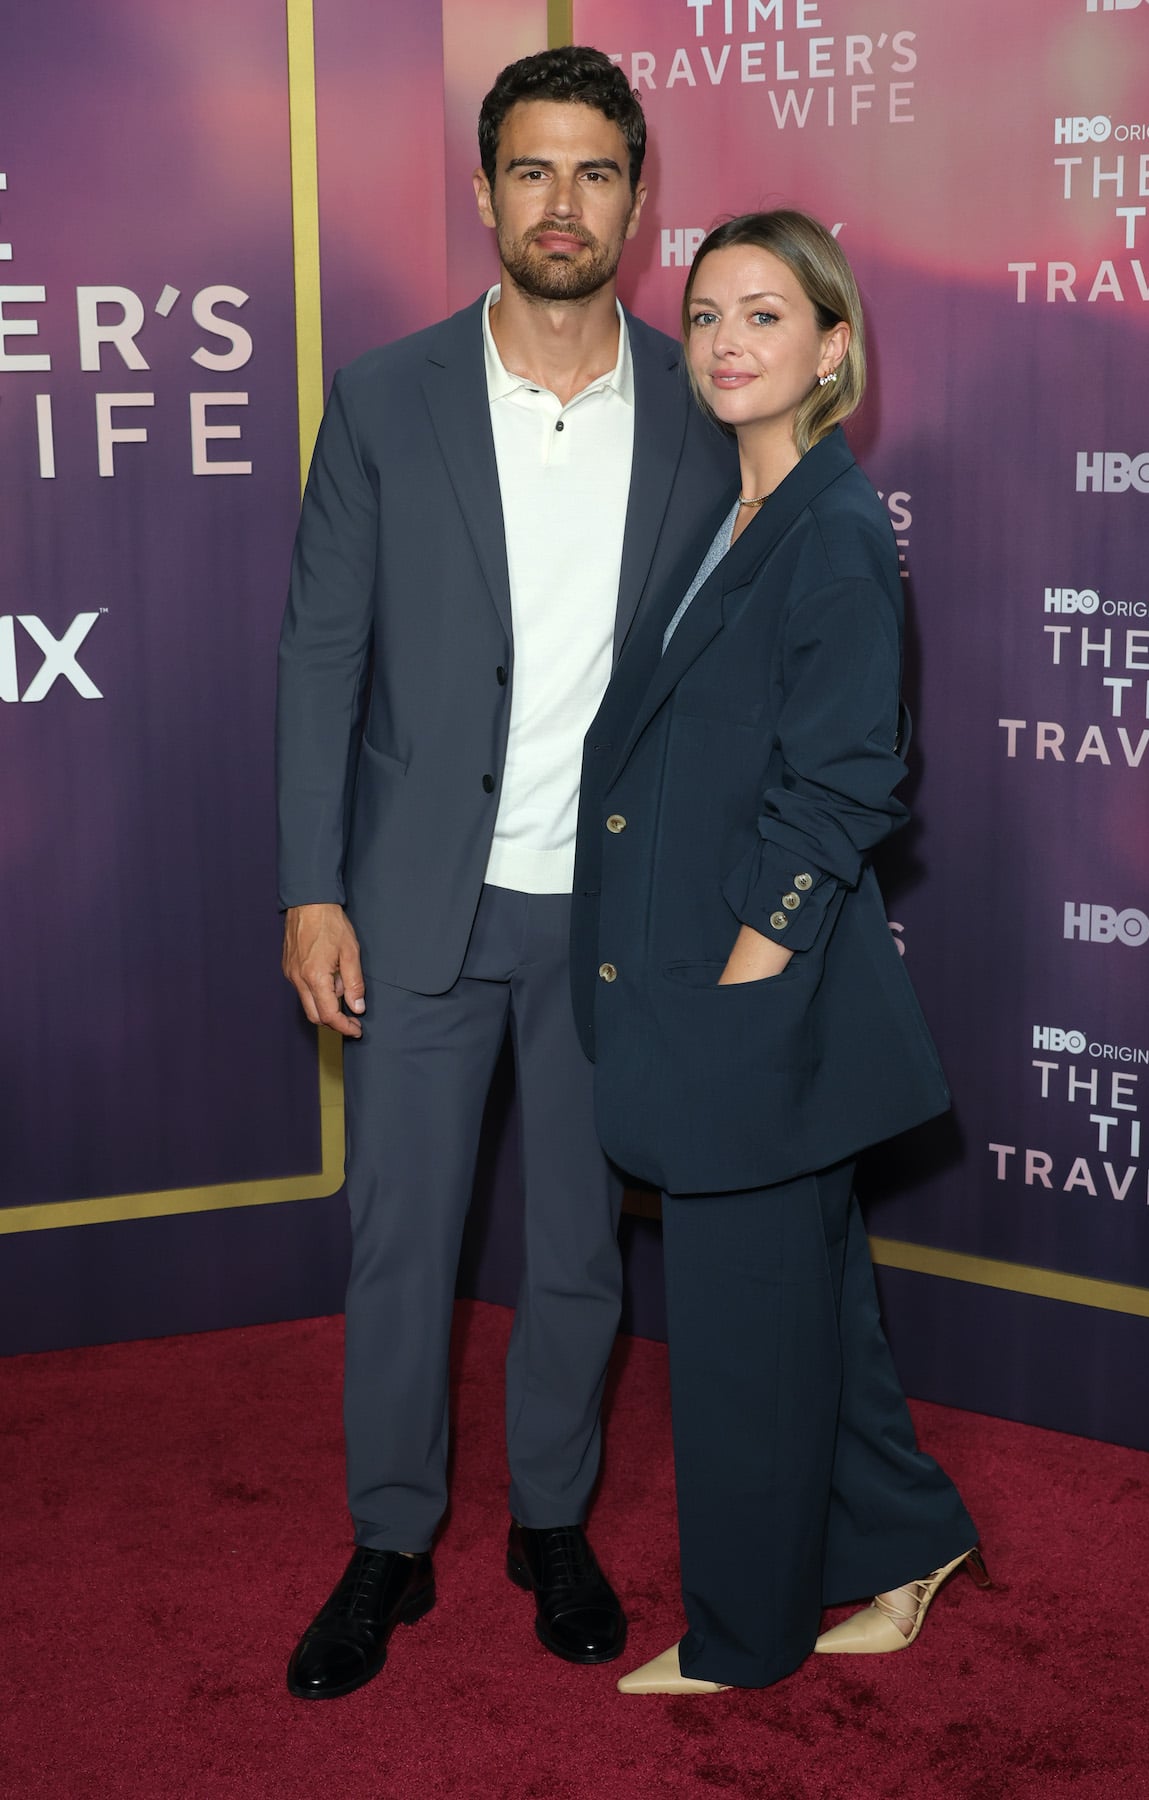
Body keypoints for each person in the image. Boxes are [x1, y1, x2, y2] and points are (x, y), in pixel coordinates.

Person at [275, 48, 734, 1701]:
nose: (562, 203)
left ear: (637, 199)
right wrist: (310, 884)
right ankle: (390, 1540)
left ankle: (553, 1522)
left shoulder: (699, 404)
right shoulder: (384, 397)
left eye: (595, 172)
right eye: (533, 170)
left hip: (615, 913)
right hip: (419, 902)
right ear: (484, 191)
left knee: (579, 1249)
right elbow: (321, 659)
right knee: (401, 1242)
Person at [571, 210, 987, 1695]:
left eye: (765, 314)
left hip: (753, 996)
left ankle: (746, 1640)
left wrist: (747, 986)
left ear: (831, 348)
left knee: (744, 1333)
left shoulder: (835, 530)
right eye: (707, 315)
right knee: (811, 1304)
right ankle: (906, 1537)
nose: (728, 341)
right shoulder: (737, 515)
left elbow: (843, 786)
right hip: (704, 985)